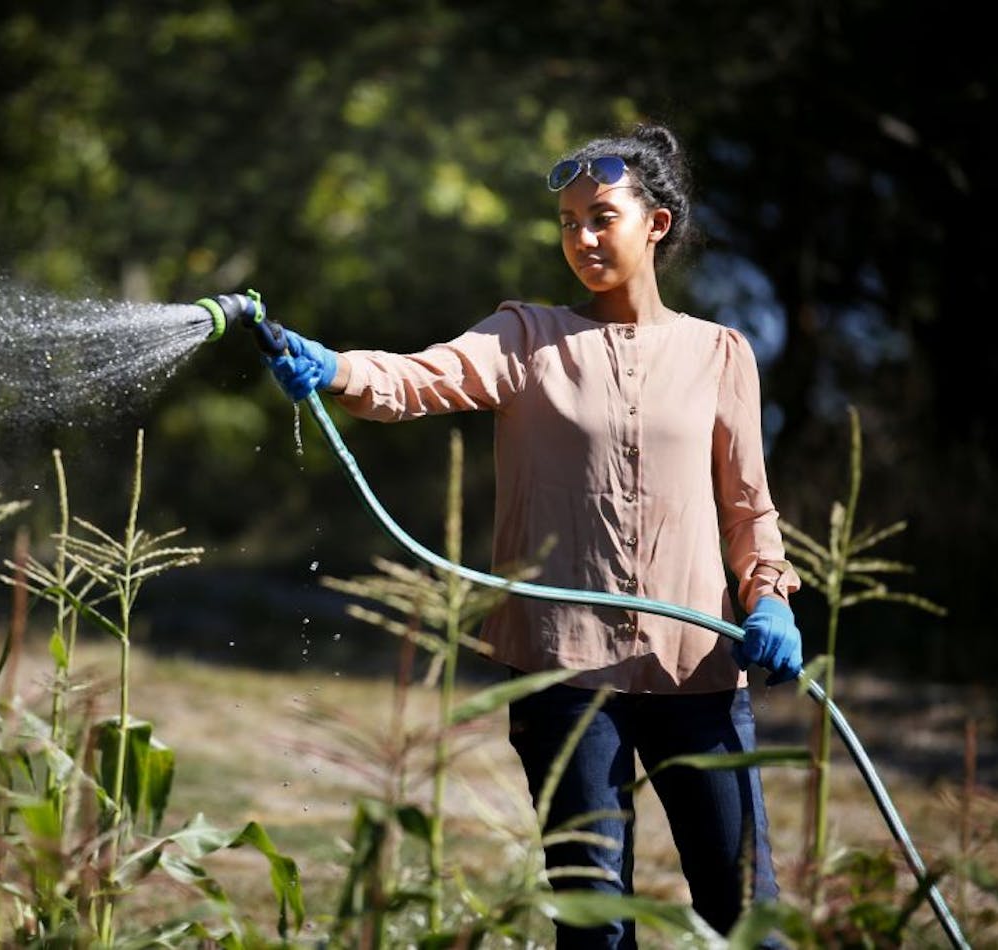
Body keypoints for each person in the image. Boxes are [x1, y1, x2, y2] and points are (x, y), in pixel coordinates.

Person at [262, 123, 802, 947]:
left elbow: (748, 510)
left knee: (746, 917)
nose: (581, 238)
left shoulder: (721, 353)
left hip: (698, 670)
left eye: (602, 217)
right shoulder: (527, 337)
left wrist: (771, 600)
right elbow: (419, 375)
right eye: (567, 222)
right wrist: (337, 368)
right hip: (563, 672)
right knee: (593, 927)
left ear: (655, 224)